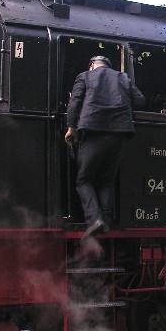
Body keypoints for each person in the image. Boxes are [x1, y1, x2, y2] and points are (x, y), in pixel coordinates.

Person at [65, 56, 145, 236]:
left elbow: (74, 103)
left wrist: (71, 128)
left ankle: (95, 219)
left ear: (92, 65)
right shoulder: (123, 78)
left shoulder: (85, 76)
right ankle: (106, 221)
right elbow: (140, 100)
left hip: (93, 131)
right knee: (107, 180)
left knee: (83, 179)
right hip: (119, 134)